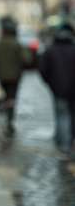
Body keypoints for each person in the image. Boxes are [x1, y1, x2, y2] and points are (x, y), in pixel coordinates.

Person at [0, 16, 30, 136]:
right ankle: (9, 122)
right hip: (14, 77)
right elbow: (26, 60)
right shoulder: (17, 44)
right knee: (12, 98)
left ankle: (3, 104)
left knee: (7, 95)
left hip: (1, 77)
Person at [37, 22, 75, 161]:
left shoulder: (50, 50)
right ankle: (69, 143)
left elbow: (42, 68)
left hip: (58, 90)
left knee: (61, 116)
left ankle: (64, 147)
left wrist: (51, 83)